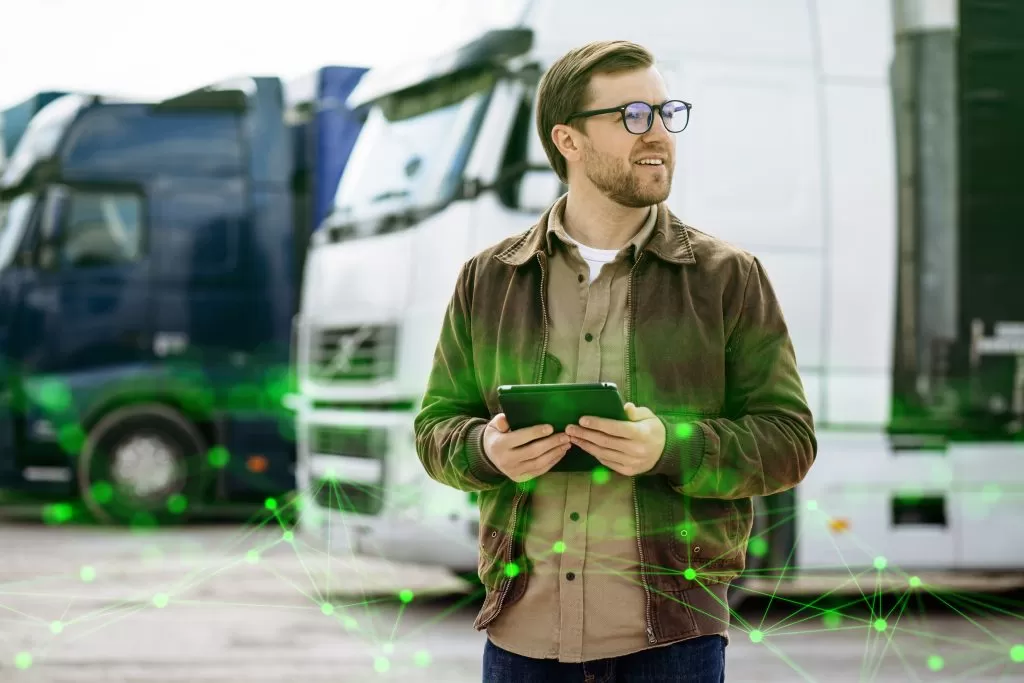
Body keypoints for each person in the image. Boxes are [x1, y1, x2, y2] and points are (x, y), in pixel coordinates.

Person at [413, 39, 817, 683]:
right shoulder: (488, 280)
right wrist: (486, 450)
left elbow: (789, 442)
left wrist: (669, 447)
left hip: (672, 645)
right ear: (568, 140)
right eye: (633, 116)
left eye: (666, 113)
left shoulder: (726, 278)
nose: (657, 134)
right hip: (521, 643)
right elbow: (435, 430)